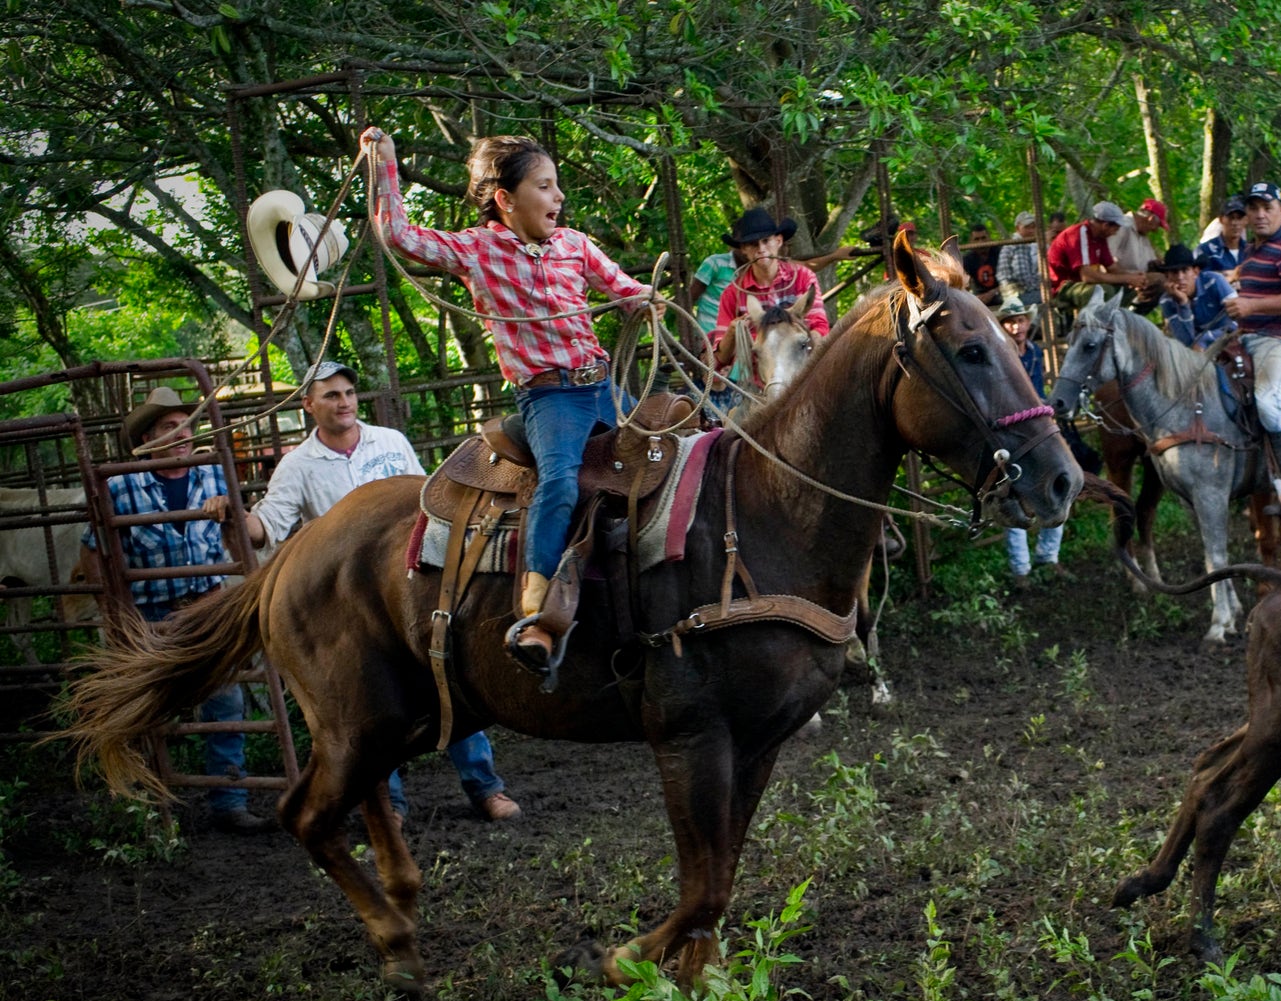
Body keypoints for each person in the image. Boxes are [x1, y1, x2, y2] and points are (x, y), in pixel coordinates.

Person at [364, 126, 656, 675]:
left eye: (557, 186)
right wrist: (386, 164)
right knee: (561, 479)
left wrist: (646, 300)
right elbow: (400, 235)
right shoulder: (477, 250)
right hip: (549, 397)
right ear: (505, 199)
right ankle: (538, 609)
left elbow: (623, 288)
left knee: (670, 445)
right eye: (545, 187)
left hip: (601, 386)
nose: (558, 197)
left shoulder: (574, 245)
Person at [226, 361, 520, 824]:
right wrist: (238, 517)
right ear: (308, 406)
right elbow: (270, 526)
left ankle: (486, 788)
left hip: (410, 585)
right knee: (370, 704)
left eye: (347, 392)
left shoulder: (389, 441)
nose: (343, 402)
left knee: (448, 678)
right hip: (351, 604)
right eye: (330, 395)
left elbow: (431, 498)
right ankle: (392, 807)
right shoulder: (298, 465)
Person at [85, 388, 270, 834]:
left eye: (187, 425)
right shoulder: (120, 485)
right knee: (145, 709)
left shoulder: (213, 477)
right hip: (150, 614)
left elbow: (237, 549)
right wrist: (113, 610)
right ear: (147, 437)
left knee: (226, 702)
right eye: (171, 427)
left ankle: (229, 800)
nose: (183, 434)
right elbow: (94, 552)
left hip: (205, 608)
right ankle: (147, 805)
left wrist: (230, 516)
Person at [1220, 182, 1281, 516]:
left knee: (1269, 401)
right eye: (1254, 208)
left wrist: (1249, 306)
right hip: (1249, 337)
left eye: (1267, 207)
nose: (1260, 215)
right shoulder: (1251, 250)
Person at [996, 296, 1067, 587]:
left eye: (1021, 320)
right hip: (1013, 432)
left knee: (1059, 487)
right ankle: (1021, 569)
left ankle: (1048, 557)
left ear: (1028, 322)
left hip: (1038, 428)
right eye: (1010, 321)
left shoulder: (1035, 353)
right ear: (1003, 326)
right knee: (1014, 495)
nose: (1017, 326)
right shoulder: (1001, 354)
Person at [710, 207, 832, 366]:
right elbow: (719, 360)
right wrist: (733, 331)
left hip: (803, 371)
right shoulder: (732, 293)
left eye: (766, 241)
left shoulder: (803, 277)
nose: (761, 249)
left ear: (778, 241)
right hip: (755, 380)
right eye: (753, 244)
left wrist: (802, 344)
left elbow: (820, 327)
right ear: (744, 249)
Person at [1045, 202, 1147, 312]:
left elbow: (1112, 268)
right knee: (1103, 291)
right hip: (1064, 287)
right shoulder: (1079, 235)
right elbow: (1088, 276)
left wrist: (1134, 277)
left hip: (1081, 285)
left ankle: (1112, 317)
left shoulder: (1100, 238)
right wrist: (1127, 278)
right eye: (1116, 228)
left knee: (1128, 288)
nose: (1116, 232)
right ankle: (1095, 324)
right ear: (1105, 225)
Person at [1157, 244, 1237, 350]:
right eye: (1174, 272)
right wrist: (1183, 304)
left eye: (1185, 270)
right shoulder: (1166, 301)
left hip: (1229, 339)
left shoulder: (1215, 281)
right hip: (1198, 351)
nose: (1180, 277)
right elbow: (1185, 341)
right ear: (1167, 277)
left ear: (1195, 272)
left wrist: (1205, 339)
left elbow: (1240, 321)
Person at [995, 211, 1043, 308]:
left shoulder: (1026, 245)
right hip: (1015, 294)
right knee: (1046, 296)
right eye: (1027, 227)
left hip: (1019, 292)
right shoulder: (1018, 245)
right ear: (1017, 228)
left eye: (1033, 227)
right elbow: (1022, 276)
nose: (1031, 230)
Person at [962, 222, 1001, 306]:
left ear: (989, 238)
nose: (981, 242)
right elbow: (964, 285)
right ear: (971, 241)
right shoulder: (967, 259)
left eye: (984, 238)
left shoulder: (1000, 252)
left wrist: (993, 292)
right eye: (977, 239)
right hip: (980, 297)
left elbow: (1009, 282)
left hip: (1001, 293)